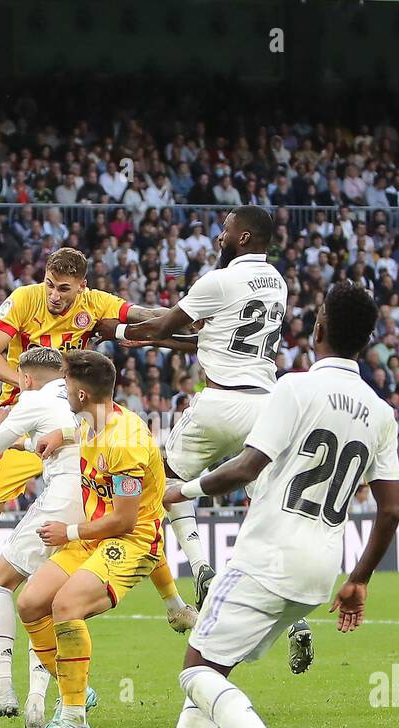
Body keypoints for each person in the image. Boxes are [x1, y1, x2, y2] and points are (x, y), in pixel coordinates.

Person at [136, 282, 399, 728]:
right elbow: (390, 508)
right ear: (367, 343)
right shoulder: (380, 413)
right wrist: (359, 580)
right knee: (215, 668)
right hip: (321, 570)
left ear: (318, 329)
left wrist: (181, 490)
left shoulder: (295, 389)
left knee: (195, 670)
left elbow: (247, 466)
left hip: (266, 556)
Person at [0, 247, 195, 682]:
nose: (54, 296)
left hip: (72, 426)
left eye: (64, 289)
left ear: (82, 287)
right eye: (51, 285)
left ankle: (171, 603)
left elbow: (146, 314)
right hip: (20, 421)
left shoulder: (95, 305)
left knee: (124, 503)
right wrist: (33, 389)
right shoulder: (23, 299)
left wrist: (193, 316)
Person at [101, 205, 315, 673]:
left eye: (226, 228)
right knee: (269, 508)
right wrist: (157, 338)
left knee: (167, 481)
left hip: (218, 403)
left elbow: (164, 326)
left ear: (243, 238)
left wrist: (111, 330)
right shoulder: (276, 283)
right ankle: (294, 618)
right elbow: (203, 339)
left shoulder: (217, 282)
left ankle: (200, 566)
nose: (219, 235)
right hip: (266, 404)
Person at [9, 350, 166, 728]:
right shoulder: (91, 421)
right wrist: (48, 438)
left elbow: (126, 519)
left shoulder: (126, 442)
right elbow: (77, 433)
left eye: (65, 384)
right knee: (30, 604)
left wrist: (70, 532)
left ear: (80, 394)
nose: (62, 389)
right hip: (94, 534)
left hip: (129, 541)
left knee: (66, 605)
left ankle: (74, 717)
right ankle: (75, 688)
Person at [0, 348, 84, 728]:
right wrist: (26, 444)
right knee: (45, 598)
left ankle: (2, 688)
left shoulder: (32, 399)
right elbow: (71, 438)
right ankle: (38, 702)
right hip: (93, 503)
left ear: (25, 379)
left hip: (60, 501)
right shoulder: (80, 395)